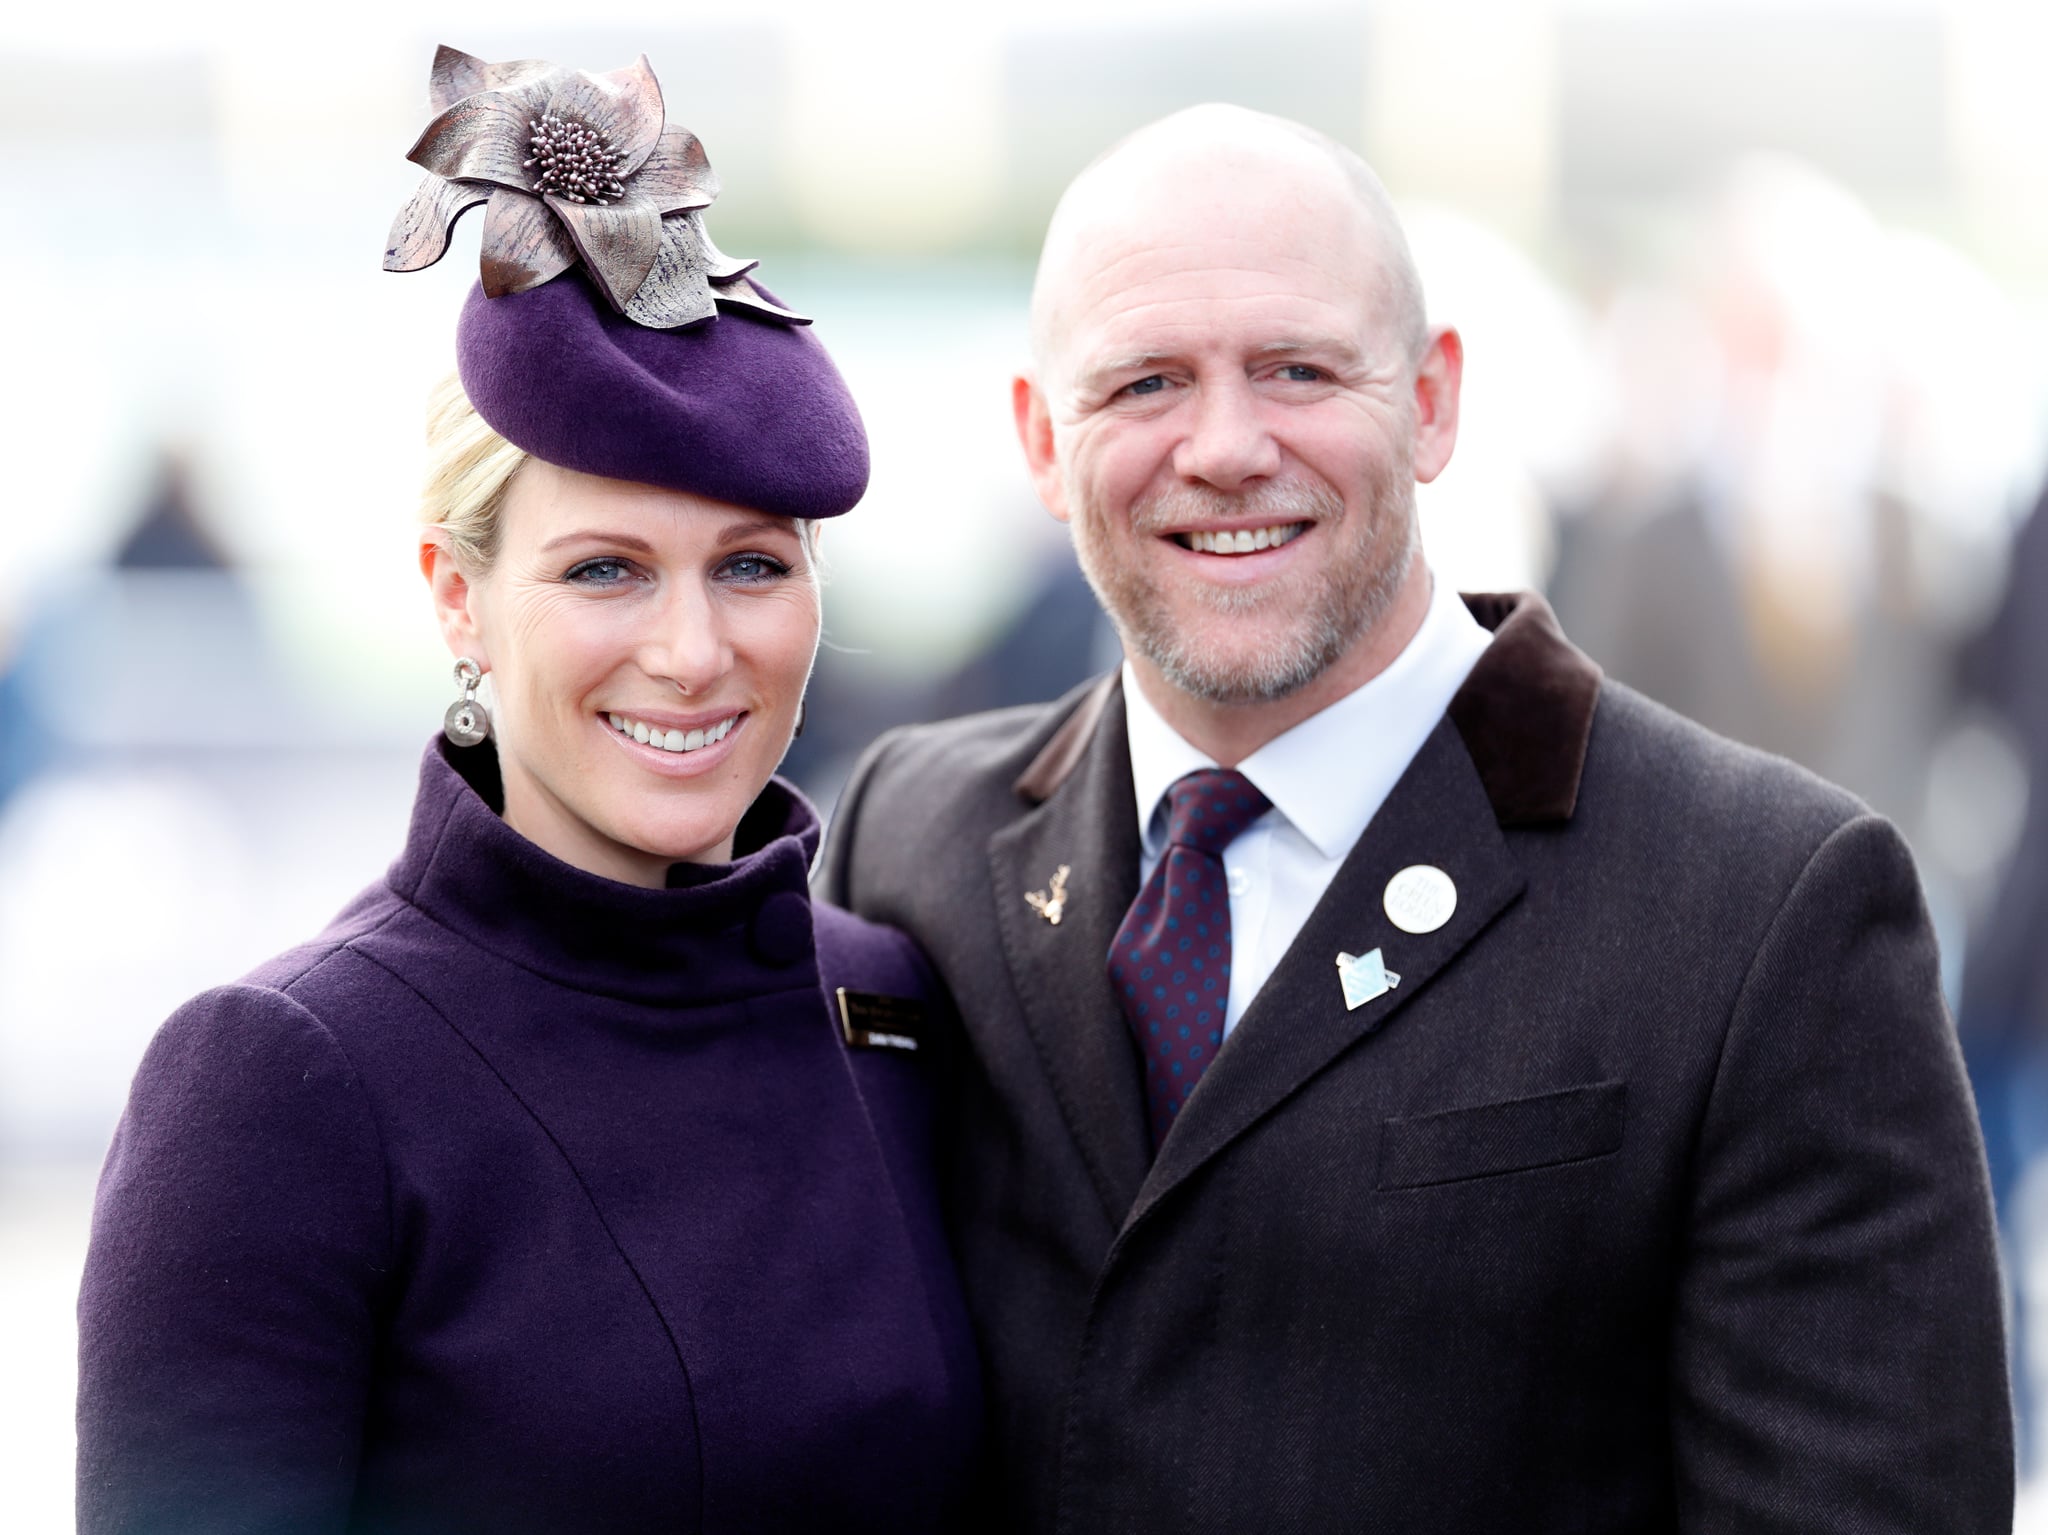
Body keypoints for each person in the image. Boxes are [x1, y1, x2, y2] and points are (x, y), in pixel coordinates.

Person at [818, 104, 2010, 1532]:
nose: (1224, 446)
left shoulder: (1770, 908)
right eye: (1144, 383)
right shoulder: (911, 846)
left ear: (1434, 401)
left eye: (1297, 368)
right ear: (1040, 439)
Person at [76, 47, 978, 1533]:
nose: (693, 652)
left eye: (752, 564)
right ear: (457, 597)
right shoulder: (286, 1079)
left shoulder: (886, 1008)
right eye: (605, 570)